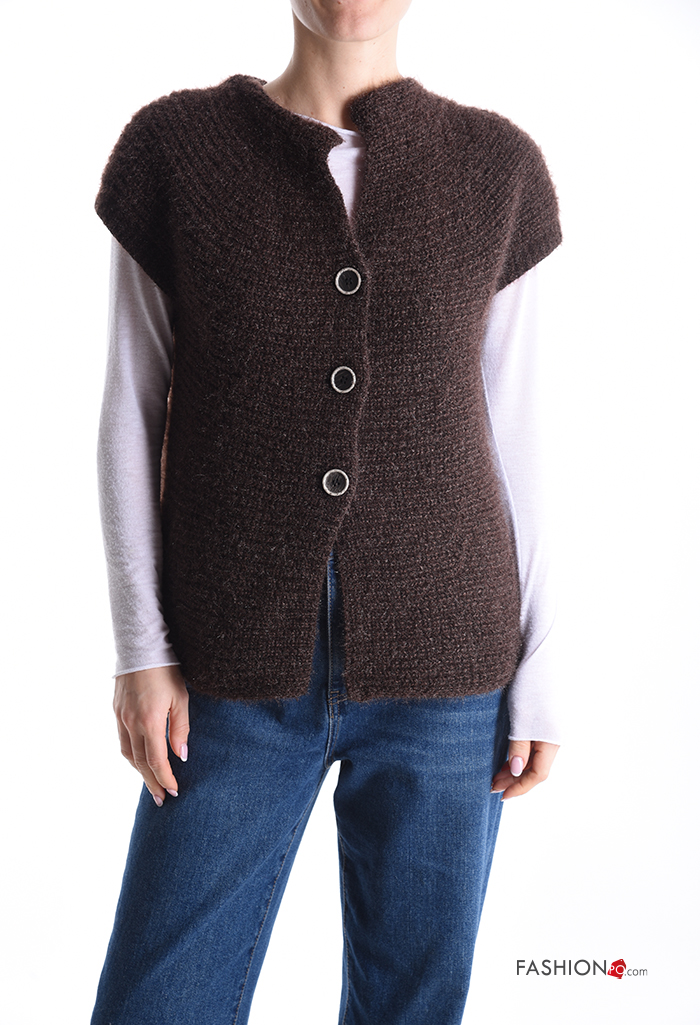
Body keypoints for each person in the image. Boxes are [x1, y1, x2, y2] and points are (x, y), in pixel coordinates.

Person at [90, 1, 562, 1022]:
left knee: (410, 1004)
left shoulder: (496, 169)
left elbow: (524, 430)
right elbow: (130, 411)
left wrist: (550, 664)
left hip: (451, 669)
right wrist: (140, 647)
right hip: (227, 666)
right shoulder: (178, 153)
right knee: (157, 999)